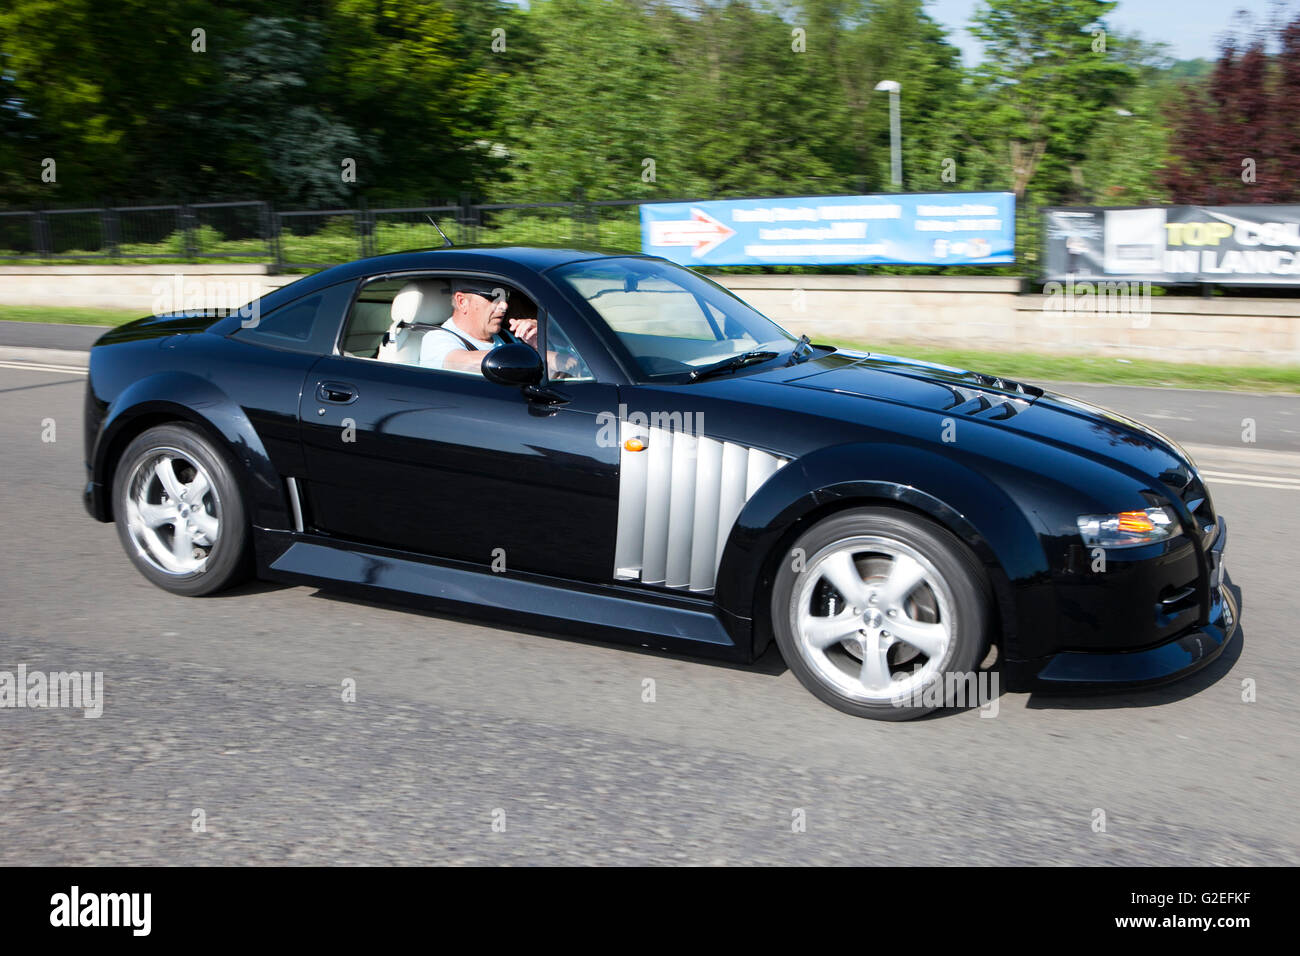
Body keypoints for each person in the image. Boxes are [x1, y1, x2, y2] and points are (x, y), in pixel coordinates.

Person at [418, 280, 538, 373]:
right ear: (462, 302)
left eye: (505, 296)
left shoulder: (506, 336)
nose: (504, 305)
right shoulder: (436, 339)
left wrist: (537, 345)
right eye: (493, 296)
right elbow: (463, 363)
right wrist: (525, 357)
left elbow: (553, 372)